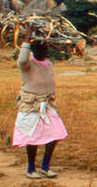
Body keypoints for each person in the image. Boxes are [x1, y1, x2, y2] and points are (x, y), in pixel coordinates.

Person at [12, 35, 68, 179]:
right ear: (32, 50)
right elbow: (22, 59)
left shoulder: (49, 64)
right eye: (38, 48)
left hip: (47, 105)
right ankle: (31, 169)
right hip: (31, 105)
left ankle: (45, 166)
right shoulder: (27, 64)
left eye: (44, 48)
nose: (42, 51)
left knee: (55, 134)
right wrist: (26, 40)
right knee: (32, 137)